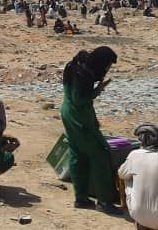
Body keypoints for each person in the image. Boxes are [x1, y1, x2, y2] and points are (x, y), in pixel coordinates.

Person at [61, 46, 121, 215]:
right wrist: (97, 90)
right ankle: (104, 201)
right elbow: (80, 100)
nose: (107, 69)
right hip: (79, 119)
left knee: (77, 155)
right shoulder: (83, 75)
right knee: (100, 154)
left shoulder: (78, 66)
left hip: (69, 114)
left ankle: (81, 198)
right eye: (108, 65)